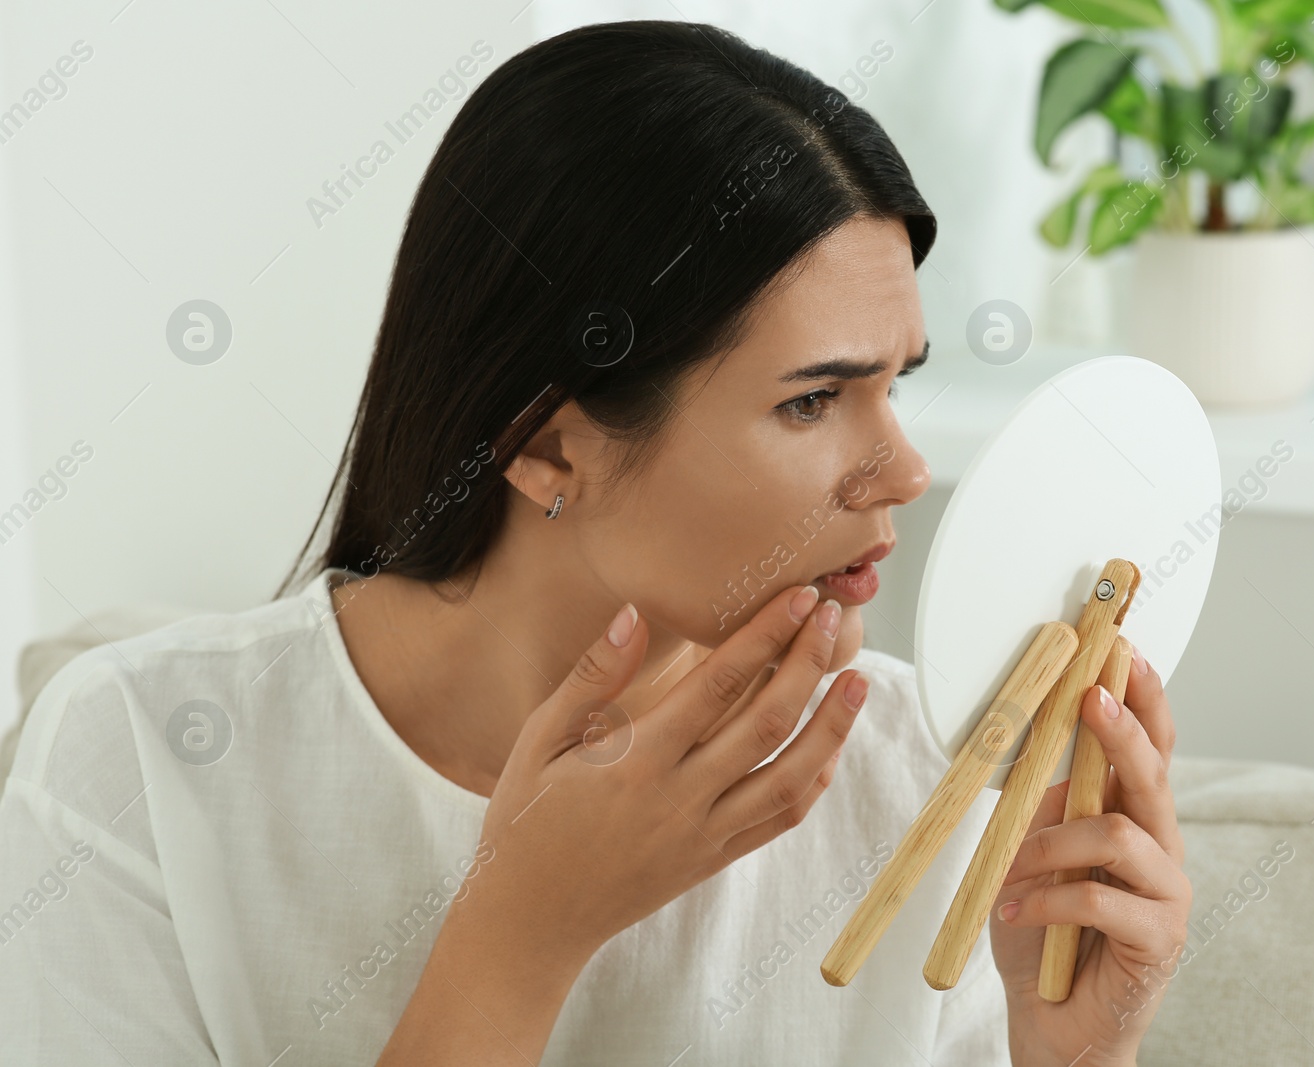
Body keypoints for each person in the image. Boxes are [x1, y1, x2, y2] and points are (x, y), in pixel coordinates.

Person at [0, 19, 1189, 1066]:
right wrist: (519, 934)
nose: (906, 469)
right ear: (548, 447)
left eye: (897, 385)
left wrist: (1078, 1058)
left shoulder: (928, 778)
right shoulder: (140, 762)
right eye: (813, 402)